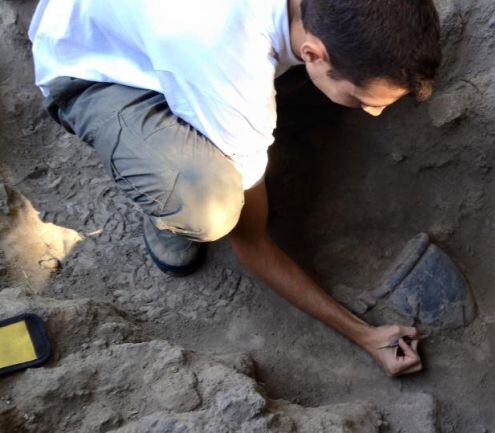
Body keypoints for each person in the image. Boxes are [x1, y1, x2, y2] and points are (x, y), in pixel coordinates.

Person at [28, 0, 441, 377]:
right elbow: (252, 243)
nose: (375, 112)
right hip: (86, 61)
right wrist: (363, 334)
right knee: (208, 206)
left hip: (139, 22)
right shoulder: (230, 71)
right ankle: (164, 201)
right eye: (361, 98)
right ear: (313, 53)